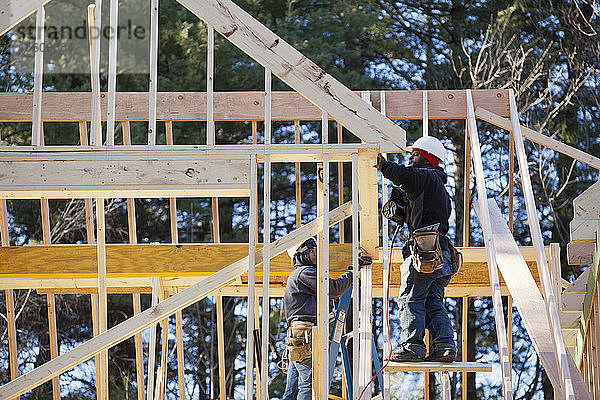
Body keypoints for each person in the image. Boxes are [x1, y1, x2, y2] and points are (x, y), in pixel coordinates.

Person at [374, 135, 457, 363]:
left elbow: (404, 175)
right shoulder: (438, 189)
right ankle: (444, 346)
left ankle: (412, 347)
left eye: (416, 154)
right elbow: (421, 208)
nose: (411, 158)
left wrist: (384, 165)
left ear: (428, 159)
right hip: (442, 256)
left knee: (410, 297)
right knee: (432, 302)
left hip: (424, 251)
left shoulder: (428, 177)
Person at [281, 238, 357, 400]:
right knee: (309, 384)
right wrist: (352, 273)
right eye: (312, 250)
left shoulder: (299, 276)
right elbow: (334, 289)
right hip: (305, 335)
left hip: (299, 335)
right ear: (301, 254)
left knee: (292, 388)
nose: (317, 253)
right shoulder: (304, 273)